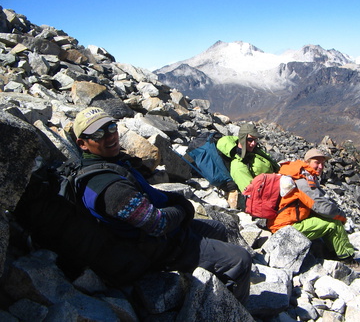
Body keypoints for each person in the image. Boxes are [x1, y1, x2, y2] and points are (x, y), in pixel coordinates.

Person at [72, 107, 252, 303]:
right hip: (153, 248)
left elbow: (147, 196)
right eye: (99, 134)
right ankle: (230, 309)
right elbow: (157, 224)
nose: (109, 136)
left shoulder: (113, 164)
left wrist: (174, 201)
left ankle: (210, 285)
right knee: (240, 260)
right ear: (83, 144)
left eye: (111, 127)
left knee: (217, 228)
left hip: (160, 236)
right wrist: (184, 208)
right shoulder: (109, 188)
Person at [267, 148, 360, 274]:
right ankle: (347, 260)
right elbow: (320, 205)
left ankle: (332, 253)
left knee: (328, 222)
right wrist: (340, 215)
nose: (320, 166)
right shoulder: (302, 181)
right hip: (285, 227)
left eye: (322, 164)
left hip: (288, 221)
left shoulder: (302, 175)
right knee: (334, 224)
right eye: (317, 163)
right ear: (307, 162)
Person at [217, 123, 280, 208]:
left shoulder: (253, 151)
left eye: (255, 140)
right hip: (272, 194)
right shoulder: (238, 166)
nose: (253, 143)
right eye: (250, 140)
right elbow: (252, 192)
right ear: (242, 138)